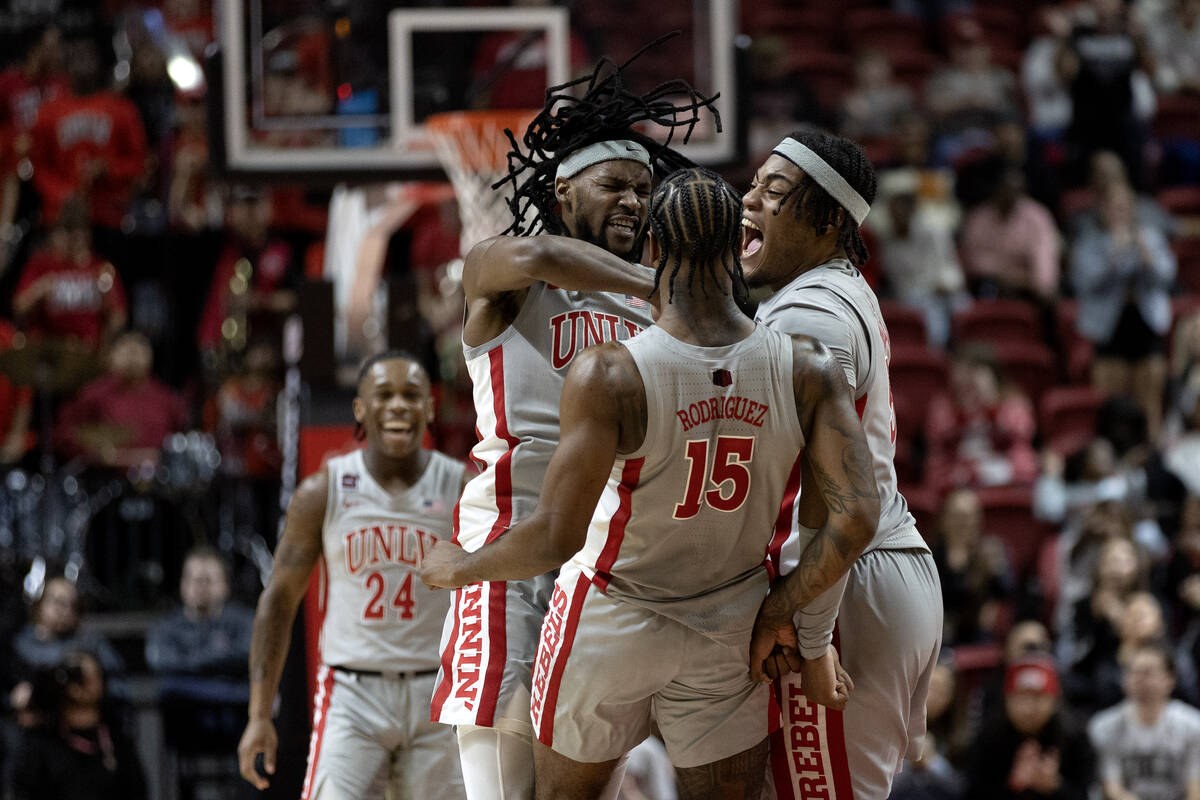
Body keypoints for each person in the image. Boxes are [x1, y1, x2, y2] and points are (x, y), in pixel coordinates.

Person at [421, 166, 879, 800]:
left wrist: (461, 567)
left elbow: (557, 537)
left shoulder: (610, 373)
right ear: (734, 247)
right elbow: (856, 518)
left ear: (654, 248)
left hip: (613, 615)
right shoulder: (807, 366)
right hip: (729, 622)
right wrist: (784, 606)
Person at [427, 52, 719, 799]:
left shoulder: (650, 319)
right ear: (562, 189)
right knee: (502, 778)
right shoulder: (504, 273)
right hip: (512, 550)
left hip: (607, 569)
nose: (634, 200)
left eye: (645, 190)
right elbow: (546, 252)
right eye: (615, 184)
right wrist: (664, 285)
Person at [737, 127, 943, 800]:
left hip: (842, 588)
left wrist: (815, 634)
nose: (750, 200)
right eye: (753, 184)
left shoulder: (811, 317)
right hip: (872, 574)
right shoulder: (832, 290)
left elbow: (827, 504)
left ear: (827, 220)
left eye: (774, 190)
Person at [236, 351, 467, 799]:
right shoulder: (323, 490)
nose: (398, 405)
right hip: (354, 697)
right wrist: (260, 714)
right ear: (360, 409)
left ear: (430, 408)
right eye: (384, 395)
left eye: (411, 395)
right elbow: (278, 600)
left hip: (438, 695)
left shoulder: (461, 485)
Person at [10, 650, 147, 800]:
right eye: (74, 675)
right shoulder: (42, 742)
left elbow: (137, 790)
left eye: (88, 676)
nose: (81, 682)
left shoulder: (116, 739)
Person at [964, 655, 1095, 800]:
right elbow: (970, 793)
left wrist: (1056, 786)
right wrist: (1012, 786)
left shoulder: (1076, 736)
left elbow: (1086, 794)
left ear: (1055, 700)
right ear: (1006, 699)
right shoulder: (987, 737)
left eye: (1038, 697)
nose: (1028, 708)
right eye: (1020, 696)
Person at [1089, 643, 1200, 800]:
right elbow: (1112, 788)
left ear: (1169, 678)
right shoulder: (1104, 725)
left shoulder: (1193, 725)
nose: (1138, 679)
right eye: (1132, 671)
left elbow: (1195, 789)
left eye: (1147, 672)